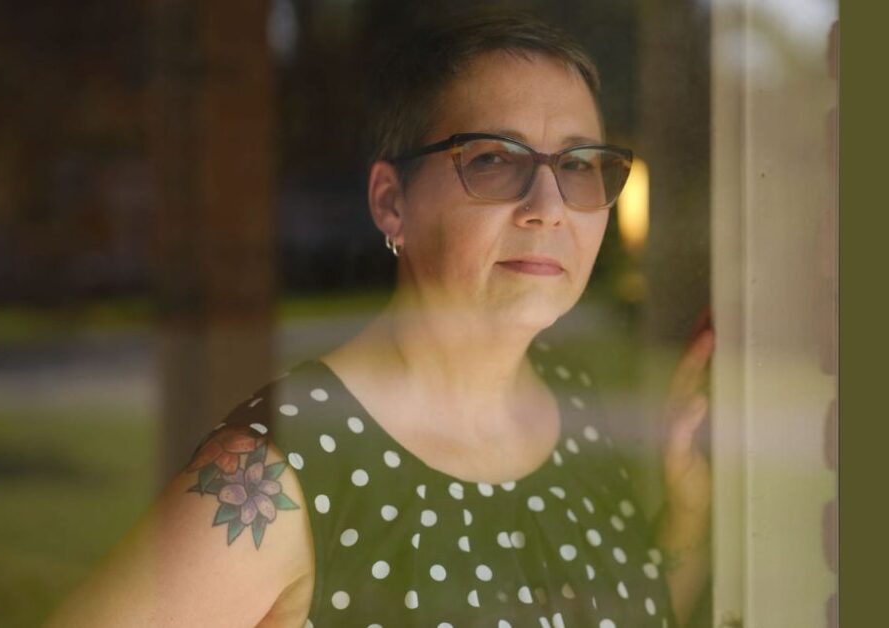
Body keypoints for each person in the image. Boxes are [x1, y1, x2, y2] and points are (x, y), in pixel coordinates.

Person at [46, 11, 714, 628]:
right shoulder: (278, 473)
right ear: (392, 203)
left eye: (578, 165)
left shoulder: (577, 405)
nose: (549, 205)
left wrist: (686, 517)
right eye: (492, 160)